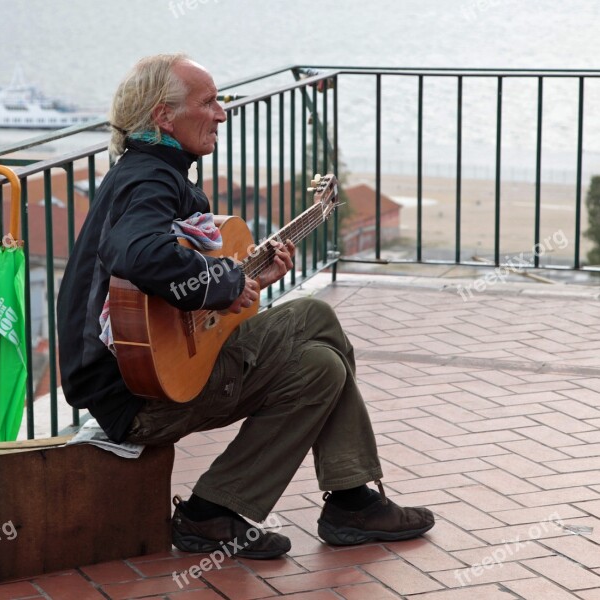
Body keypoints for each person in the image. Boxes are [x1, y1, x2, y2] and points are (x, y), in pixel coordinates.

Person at [57, 53, 434, 559]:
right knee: (315, 316)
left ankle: (212, 512)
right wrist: (225, 281)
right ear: (163, 117)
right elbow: (140, 254)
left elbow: (183, 298)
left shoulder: (151, 171)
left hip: (128, 384)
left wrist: (248, 278)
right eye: (208, 102)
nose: (222, 114)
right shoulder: (149, 179)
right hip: (139, 394)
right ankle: (351, 503)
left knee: (320, 367)